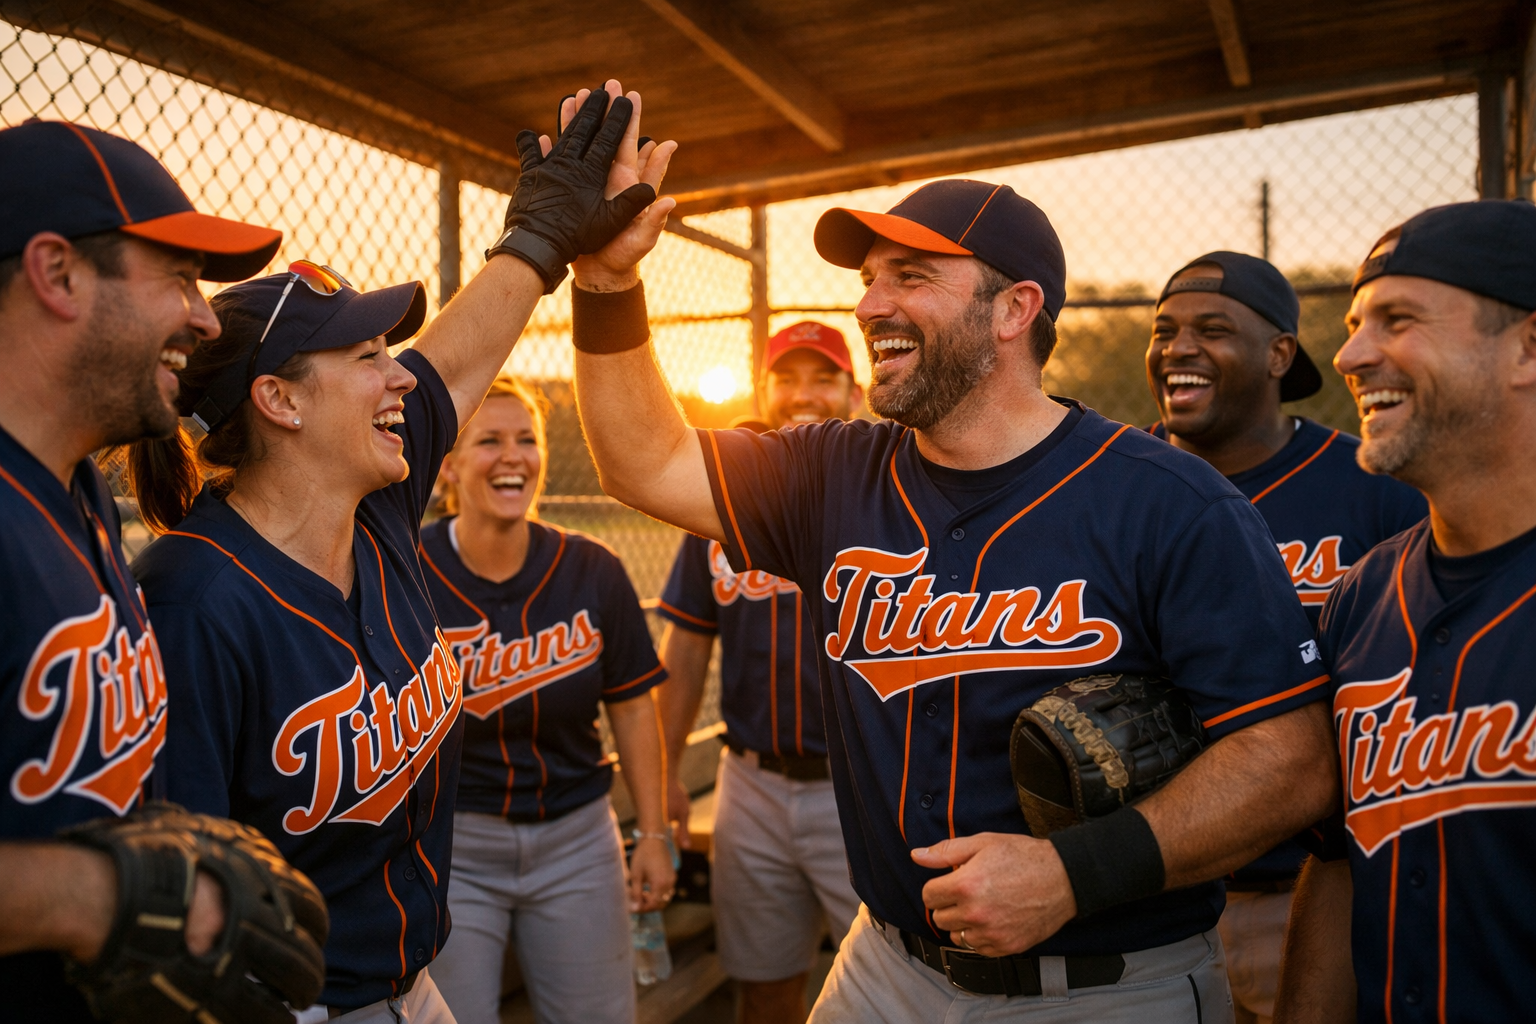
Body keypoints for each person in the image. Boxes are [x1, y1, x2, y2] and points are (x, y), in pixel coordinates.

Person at [566, 176, 1342, 1021]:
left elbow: (1292, 759)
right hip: (885, 968)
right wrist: (607, 286)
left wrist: (1072, 873)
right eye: (868, 278)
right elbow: (643, 460)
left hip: (1107, 985)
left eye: (911, 275)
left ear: (1014, 309)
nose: (870, 305)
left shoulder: (1168, 501)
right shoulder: (830, 473)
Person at [126, 83, 676, 1021]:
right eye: (368, 355)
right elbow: (181, 889)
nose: (400, 374)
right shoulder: (194, 601)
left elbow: (461, 359)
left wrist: (543, 243)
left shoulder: (374, 507)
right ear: (281, 402)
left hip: (415, 984)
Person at [0, 119, 310, 1021]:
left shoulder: (76, 484)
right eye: (178, 278)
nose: (207, 316)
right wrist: (97, 894)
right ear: (58, 273)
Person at [1146, 252, 1426, 1024]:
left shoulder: (1371, 484)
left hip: (1303, 887)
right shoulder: (1116, 482)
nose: (1178, 348)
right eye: (1164, 330)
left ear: (1279, 354)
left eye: (1212, 329)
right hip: (1140, 896)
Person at [1274, 200, 1536, 1024]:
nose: (1350, 355)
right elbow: (1342, 861)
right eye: (1355, 323)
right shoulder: (1362, 596)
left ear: (1529, 346)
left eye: (1398, 320)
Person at [419, 374, 674, 1024]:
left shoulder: (592, 568)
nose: (513, 456)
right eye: (489, 441)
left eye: (527, 440)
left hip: (577, 838)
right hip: (456, 845)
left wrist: (651, 832)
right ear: (447, 467)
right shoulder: (408, 571)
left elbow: (632, 708)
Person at [656, 322, 864, 1024]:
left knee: (900, 988)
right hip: (750, 784)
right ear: (765, 391)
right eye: (787, 378)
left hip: (860, 782)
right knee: (764, 986)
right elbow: (685, 651)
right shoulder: (723, 500)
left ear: (854, 392)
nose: (803, 394)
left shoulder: (888, 496)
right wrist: (661, 781)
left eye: (823, 377)